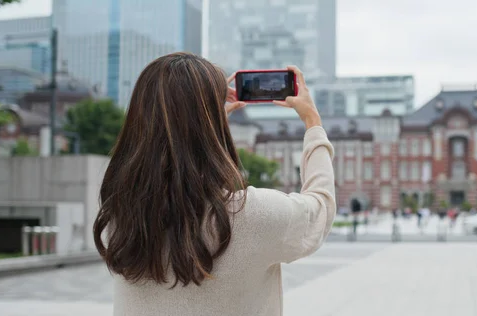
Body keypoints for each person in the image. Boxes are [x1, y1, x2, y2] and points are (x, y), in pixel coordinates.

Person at [93, 53, 335, 316]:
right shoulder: (253, 216)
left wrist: (208, 127)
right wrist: (313, 122)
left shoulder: (121, 218)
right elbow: (320, 207)